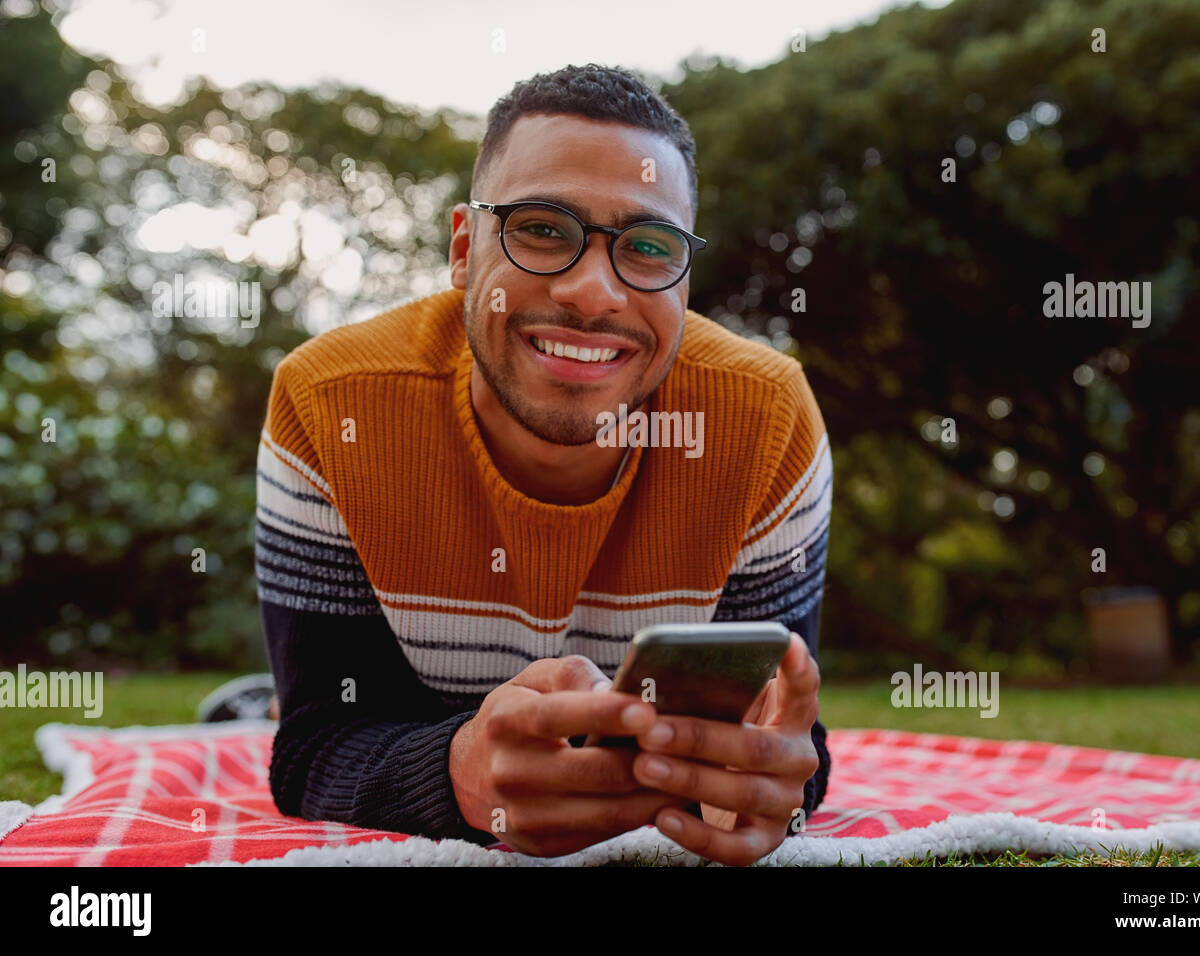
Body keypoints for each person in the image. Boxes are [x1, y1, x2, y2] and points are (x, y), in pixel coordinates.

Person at [249, 63, 832, 866]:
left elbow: (787, 732)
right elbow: (318, 743)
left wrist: (778, 786)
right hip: (413, 713)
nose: (594, 294)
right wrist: (458, 776)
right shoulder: (330, 404)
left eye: (650, 246)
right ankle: (248, 703)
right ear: (464, 249)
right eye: (542, 228)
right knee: (274, 709)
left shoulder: (766, 419)